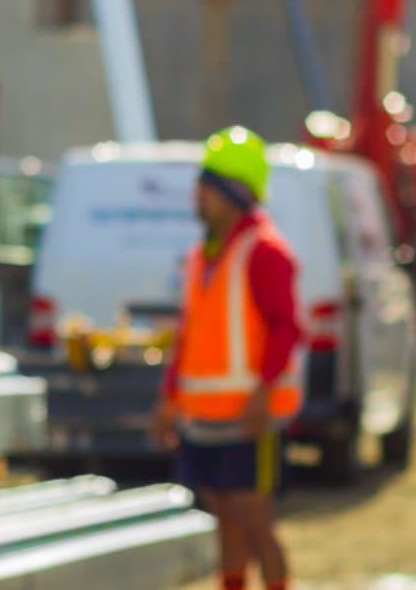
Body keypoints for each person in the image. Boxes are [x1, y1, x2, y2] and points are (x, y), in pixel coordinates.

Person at [153, 126, 306, 590]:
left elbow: (287, 328)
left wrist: (262, 393)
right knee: (225, 522)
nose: (196, 197)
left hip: (248, 418)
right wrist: (169, 400)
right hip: (205, 417)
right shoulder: (204, 256)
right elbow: (191, 333)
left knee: (255, 524)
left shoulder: (264, 252)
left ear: (232, 194)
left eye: (206, 187)